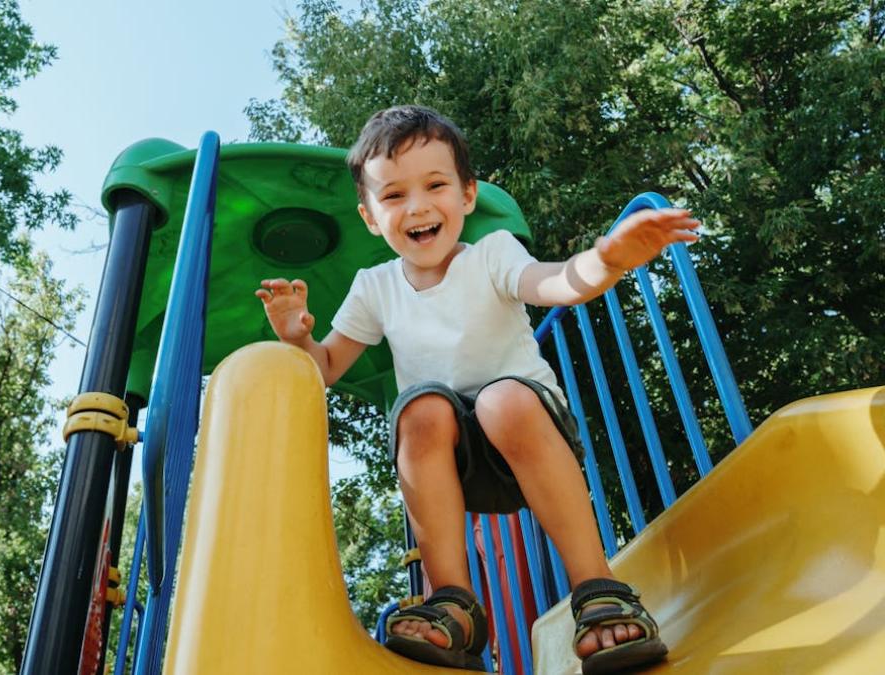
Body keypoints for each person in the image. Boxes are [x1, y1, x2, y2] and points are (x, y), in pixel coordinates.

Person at [254, 105, 696, 674]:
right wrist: (297, 338)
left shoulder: (493, 254)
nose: (417, 207)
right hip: (454, 466)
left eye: (435, 185)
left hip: (529, 435)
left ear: (467, 194)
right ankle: (454, 604)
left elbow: (555, 284)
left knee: (500, 399)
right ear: (370, 217)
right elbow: (328, 366)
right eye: (394, 195)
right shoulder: (374, 287)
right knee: (420, 409)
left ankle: (597, 586)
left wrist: (605, 260)